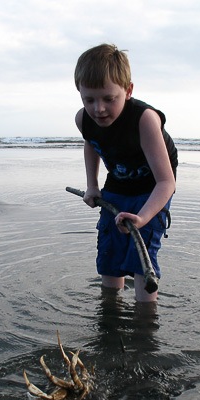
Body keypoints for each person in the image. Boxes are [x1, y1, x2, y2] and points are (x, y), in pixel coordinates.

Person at [74, 43, 178, 302]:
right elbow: (92, 144)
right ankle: (110, 313)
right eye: (90, 100)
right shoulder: (84, 119)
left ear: (128, 90)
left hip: (151, 189)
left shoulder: (144, 120)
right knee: (110, 250)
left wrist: (142, 217)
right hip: (118, 182)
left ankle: (145, 321)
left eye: (109, 99)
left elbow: (167, 182)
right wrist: (92, 185)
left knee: (141, 255)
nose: (98, 109)